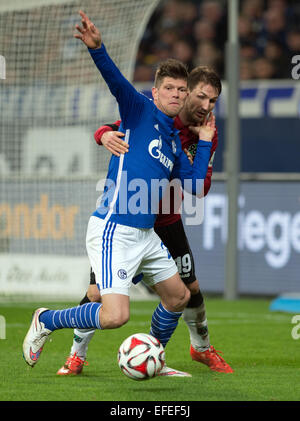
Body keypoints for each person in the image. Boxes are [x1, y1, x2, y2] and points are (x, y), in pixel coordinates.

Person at [22, 11, 214, 375]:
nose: (176, 95)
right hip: (115, 228)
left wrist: (203, 141)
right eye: (169, 89)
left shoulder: (173, 141)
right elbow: (115, 80)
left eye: (181, 90)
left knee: (178, 297)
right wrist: (98, 49)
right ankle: (47, 318)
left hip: (145, 235)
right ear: (155, 92)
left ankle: (154, 357)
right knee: (114, 316)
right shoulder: (138, 109)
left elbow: (192, 184)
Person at [56, 65, 233, 376]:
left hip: (166, 221)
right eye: (202, 97)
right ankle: (76, 355)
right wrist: (104, 134)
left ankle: (200, 348)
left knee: (189, 289)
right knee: (96, 293)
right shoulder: (157, 113)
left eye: (214, 101)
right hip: (126, 216)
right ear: (186, 92)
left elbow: (199, 187)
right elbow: (113, 125)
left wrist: (205, 141)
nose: (206, 106)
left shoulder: (207, 132)